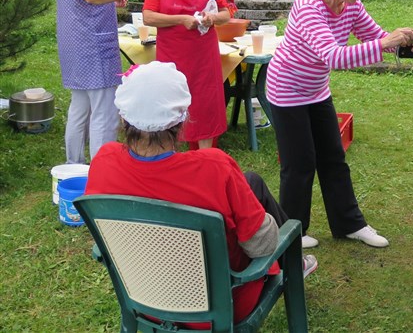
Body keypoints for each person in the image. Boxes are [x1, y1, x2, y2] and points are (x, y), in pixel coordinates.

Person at [85, 61, 318, 328]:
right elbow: (262, 246)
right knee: (251, 189)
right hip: (224, 305)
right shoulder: (214, 168)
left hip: (143, 298)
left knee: (250, 182)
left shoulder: (103, 161)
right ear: (182, 118)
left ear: (124, 117)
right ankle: (295, 262)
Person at [267, 0, 413, 249]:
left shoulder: (350, 5)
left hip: (315, 90)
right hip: (286, 91)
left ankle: (350, 224)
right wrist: (385, 43)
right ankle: (291, 232)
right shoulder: (308, 7)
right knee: (299, 165)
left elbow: (375, 38)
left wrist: (405, 41)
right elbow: (333, 57)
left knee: (334, 159)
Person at [56, 0, 147, 164]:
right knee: (104, 112)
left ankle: (74, 163)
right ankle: (101, 168)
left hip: (74, 49)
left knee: (80, 109)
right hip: (93, 50)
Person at [142, 0, 230, 149]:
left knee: (204, 101)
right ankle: (169, 151)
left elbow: (226, 13)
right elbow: (149, 17)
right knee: (171, 101)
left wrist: (212, 18)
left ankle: (205, 154)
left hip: (203, 54)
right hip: (172, 54)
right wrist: (181, 19)